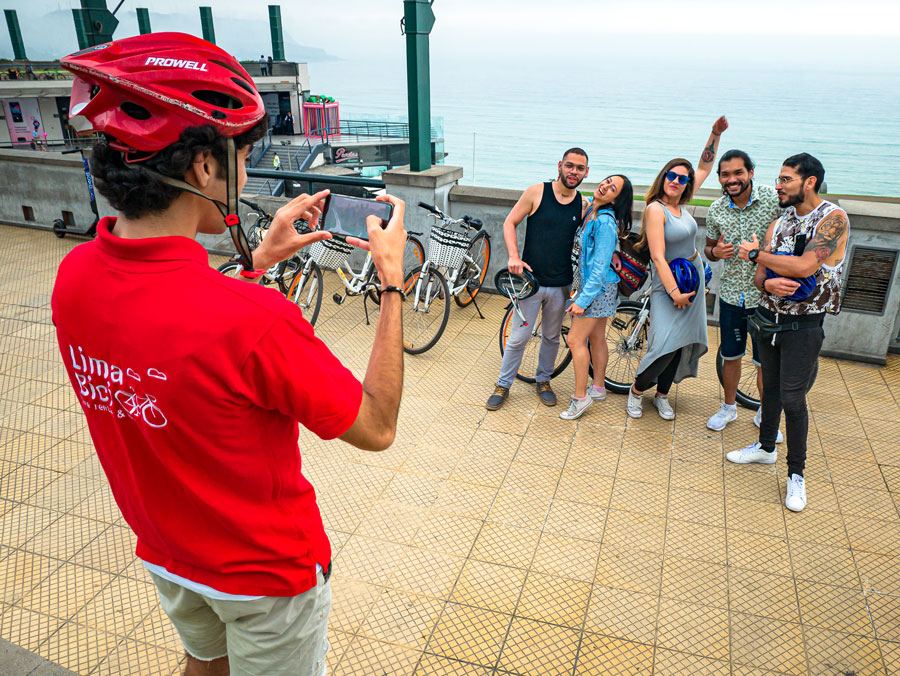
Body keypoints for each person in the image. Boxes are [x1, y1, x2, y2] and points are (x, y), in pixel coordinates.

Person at [51, 32, 407, 676]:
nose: (245, 171)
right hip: (265, 576)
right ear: (201, 169)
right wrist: (390, 281)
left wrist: (256, 265)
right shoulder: (255, 324)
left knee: (203, 664)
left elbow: (169, 332)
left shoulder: (73, 278)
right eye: (240, 155)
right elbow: (376, 425)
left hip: (166, 553)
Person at [728, 153, 849, 512]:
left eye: (785, 179)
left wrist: (757, 257)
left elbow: (806, 264)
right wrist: (770, 283)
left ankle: (796, 475)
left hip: (803, 327)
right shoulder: (779, 222)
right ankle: (765, 448)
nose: (777, 186)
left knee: (794, 400)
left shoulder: (833, 218)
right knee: (771, 390)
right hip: (768, 320)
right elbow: (759, 279)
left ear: (808, 182)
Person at [627, 116, 728, 419]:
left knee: (681, 343)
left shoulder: (681, 207)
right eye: (671, 175)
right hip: (668, 284)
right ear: (663, 177)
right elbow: (658, 257)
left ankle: (662, 395)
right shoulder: (656, 209)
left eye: (682, 178)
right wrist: (673, 293)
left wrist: (714, 134)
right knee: (664, 344)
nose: (676, 180)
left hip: (692, 280)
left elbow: (706, 167)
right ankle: (636, 391)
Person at [486, 148, 589, 410]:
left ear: (586, 172)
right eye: (569, 165)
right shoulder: (537, 192)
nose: (573, 171)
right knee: (519, 337)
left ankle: (544, 380)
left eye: (579, 168)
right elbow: (510, 223)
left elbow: (589, 240)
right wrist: (513, 256)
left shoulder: (584, 204)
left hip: (562, 284)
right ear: (560, 166)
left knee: (552, 337)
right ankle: (503, 384)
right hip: (530, 283)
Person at [704, 150, 784, 440]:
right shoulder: (716, 209)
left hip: (765, 296)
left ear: (751, 171)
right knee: (730, 354)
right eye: (725, 174)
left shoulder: (773, 201)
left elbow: (792, 237)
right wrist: (716, 252)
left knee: (765, 361)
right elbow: (709, 249)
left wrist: (762, 254)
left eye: (738, 172)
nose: (732, 179)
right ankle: (728, 407)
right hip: (731, 295)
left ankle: (765, 413)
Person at [560, 174, 633, 420]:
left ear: (617, 199)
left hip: (597, 289)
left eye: (612, 188)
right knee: (597, 337)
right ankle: (599, 387)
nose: (605, 186)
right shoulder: (592, 207)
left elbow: (600, 268)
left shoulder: (605, 223)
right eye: (606, 181)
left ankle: (581, 397)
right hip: (601, 287)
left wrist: (582, 300)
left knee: (574, 340)